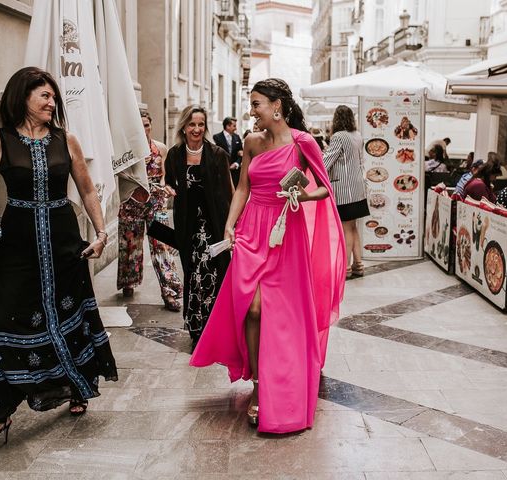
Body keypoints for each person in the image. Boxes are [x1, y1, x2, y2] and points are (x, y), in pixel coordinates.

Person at [0, 67, 117, 454]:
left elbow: (86, 190)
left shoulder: (66, 140)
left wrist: (101, 234)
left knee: (70, 318)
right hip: (16, 247)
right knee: (7, 319)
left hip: (65, 243)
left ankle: (78, 385)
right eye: (44, 96)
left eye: (53, 97)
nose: (52, 103)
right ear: (23, 97)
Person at [189, 78, 345, 433]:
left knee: (273, 311)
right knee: (251, 306)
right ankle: (258, 384)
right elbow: (243, 186)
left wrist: (301, 197)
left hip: (284, 232)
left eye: (256, 103)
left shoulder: (303, 143)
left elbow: (324, 187)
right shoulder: (251, 142)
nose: (252, 110)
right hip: (250, 229)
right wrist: (230, 226)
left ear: (277, 106)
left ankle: (277, 382)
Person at [164, 106, 233, 349]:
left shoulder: (217, 154)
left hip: (213, 225)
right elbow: (170, 182)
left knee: (213, 274)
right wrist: (169, 189)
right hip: (187, 227)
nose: (196, 129)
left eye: (200, 124)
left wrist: (231, 226)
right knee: (193, 274)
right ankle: (195, 325)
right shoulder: (174, 155)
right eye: (191, 124)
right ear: (183, 126)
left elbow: (229, 191)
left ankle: (213, 327)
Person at [116, 113, 183, 311]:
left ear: (150, 126)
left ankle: (169, 292)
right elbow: (120, 175)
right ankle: (129, 281)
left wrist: (164, 187)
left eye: (146, 125)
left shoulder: (160, 148)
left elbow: (164, 175)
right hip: (132, 202)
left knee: (162, 246)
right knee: (130, 246)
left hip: (156, 202)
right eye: (140, 125)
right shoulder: (126, 151)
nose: (143, 129)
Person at [323, 105, 369, 278]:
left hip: (344, 189)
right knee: (353, 227)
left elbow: (326, 162)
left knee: (345, 229)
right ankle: (358, 265)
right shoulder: (358, 136)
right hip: (358, 188)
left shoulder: (338, 137)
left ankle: (346, 268)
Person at [213, 117, 243, 188]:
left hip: (235, 173)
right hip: (222, 172)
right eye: (234, 126)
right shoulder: (216, 137)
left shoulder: (237, 137)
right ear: (227, 126)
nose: (235, 128)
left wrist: (236, 164)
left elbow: (241, 153)